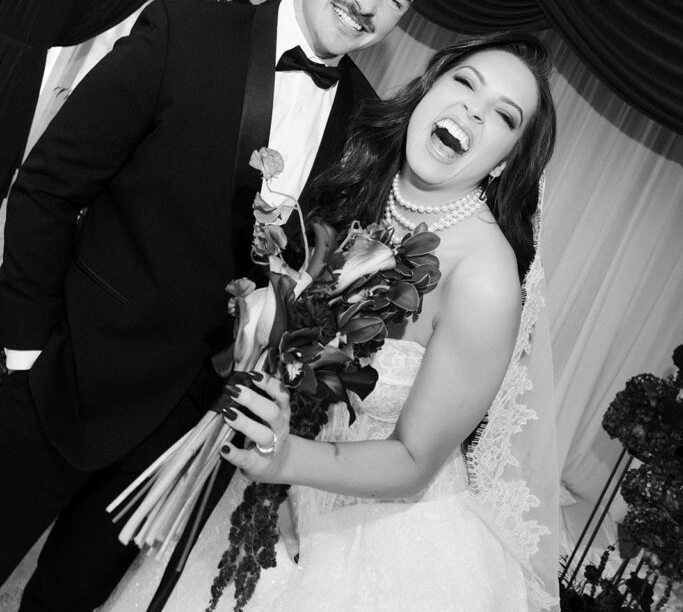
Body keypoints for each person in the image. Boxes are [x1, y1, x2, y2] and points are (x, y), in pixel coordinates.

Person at [0, 0, 448, 612]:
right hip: (63, 377)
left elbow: (311, 288)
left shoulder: (368, 134)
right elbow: (49, 186)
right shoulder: (184, 33)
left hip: (185, 437)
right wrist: (24, 352)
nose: (368, 5)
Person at [99, 31, 560, 612]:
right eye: (465, 82)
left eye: (504, 116)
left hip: (374, 537)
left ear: (507, 161)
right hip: (266, 473)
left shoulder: (485, 280)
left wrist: (286, 462)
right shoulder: (358, 178)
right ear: (428, 89)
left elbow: (414, 461)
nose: (473, 109)